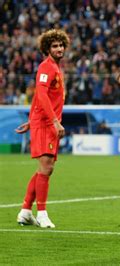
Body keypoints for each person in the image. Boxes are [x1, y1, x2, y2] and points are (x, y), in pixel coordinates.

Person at [15, 29, 70, 228]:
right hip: (47, 123)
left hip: (45, 121)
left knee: (45, 169)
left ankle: (25, 211)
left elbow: (41, 98)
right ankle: (42, 213)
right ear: (47, 48)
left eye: (61, 45)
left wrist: (31, 121)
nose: (59, 49)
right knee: (46, 167)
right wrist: (54, 121)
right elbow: (42, 94)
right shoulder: (47, 67)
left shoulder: (54, 67)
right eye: (55, 46)